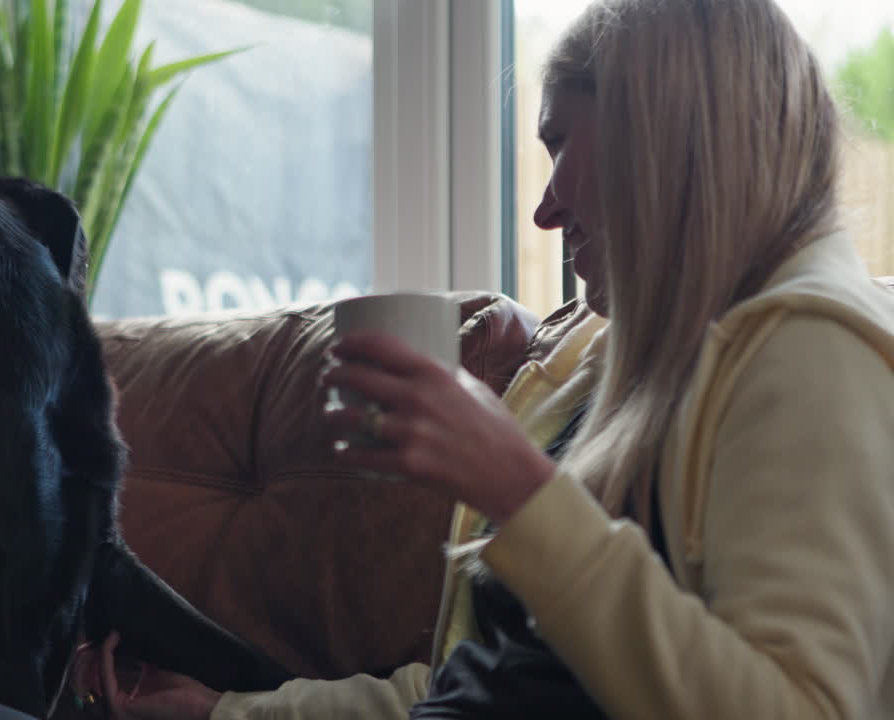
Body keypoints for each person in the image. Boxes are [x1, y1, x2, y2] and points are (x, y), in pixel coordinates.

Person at [79, 0, 894, 717]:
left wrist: (520, 488)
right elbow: (471, 688)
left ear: (666, 136)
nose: (543, 210)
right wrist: (225, 713)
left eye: (558, 142)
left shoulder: (810, 346)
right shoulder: (605, 365)